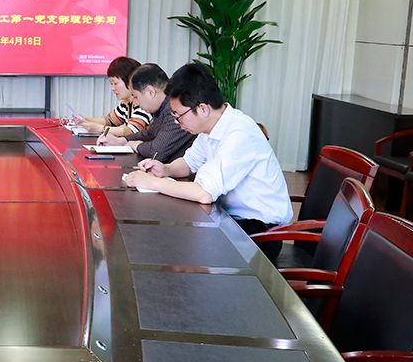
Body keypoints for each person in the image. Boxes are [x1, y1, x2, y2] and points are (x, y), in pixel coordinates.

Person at [122, 62, 292, 257]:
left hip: (259, 234)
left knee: (173, 247)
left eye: (178, 115)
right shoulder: (209, 128)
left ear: (202, 108)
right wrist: (165, 169)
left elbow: (204, 193)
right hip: (229, 219)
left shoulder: (239, 132)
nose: (177, 122)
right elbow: (189, 163)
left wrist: (152, 183)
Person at [98, 63, 195, 163]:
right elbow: (149, 134)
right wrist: (122, 140)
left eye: (136, 97)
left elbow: (156, 151)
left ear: (150, 92)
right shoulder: (162, 107)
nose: (135, 103)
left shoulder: (175, 109)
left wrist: (136, 145)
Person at [76, 56, 151, 138]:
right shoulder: (126, 103)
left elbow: (131, 131)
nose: (113, 88)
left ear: (130, 81)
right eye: (111, 84)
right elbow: (109, 120)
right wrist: (85, 120)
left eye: (115, 83)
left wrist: (99, 128)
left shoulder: (143, 103)